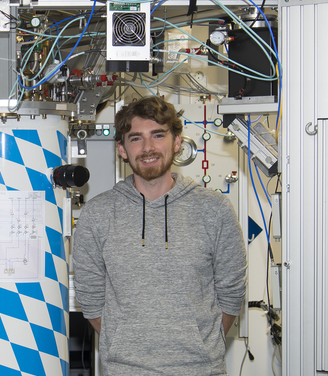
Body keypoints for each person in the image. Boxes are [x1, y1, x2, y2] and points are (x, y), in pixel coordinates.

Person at [72, 96, 247, 375]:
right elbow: (90, 298)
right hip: (125, 370)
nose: (148, 148)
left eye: (158, 135)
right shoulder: (98, 214)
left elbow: (232, 292)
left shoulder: (214, 209)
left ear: (176, 142)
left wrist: (201, 346)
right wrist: (124, 345)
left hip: (200, 369)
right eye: (136, 138)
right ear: (122, 149)